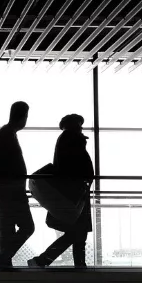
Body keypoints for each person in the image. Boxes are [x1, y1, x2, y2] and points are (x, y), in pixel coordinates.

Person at [28, 114, 94, 269]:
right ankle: (43, 260)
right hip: (75, 194)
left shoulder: (66, 139)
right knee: (78, 232)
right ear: (74, 125)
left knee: (78, 233)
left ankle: (76, 264)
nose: (81, 127)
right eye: (79, 124)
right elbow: (76, 167)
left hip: (73, 193)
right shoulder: (72, 139)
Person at [0, 101, 34, 268]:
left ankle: (4, 261)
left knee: (7, 229)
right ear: (22, 116)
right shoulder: (7, 134)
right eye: (26, 116)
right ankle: (2, 259)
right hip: (11, 190)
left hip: (5, 189)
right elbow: (1, 164)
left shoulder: (5, 133)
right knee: (27, 227)